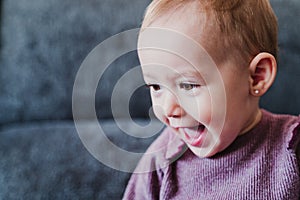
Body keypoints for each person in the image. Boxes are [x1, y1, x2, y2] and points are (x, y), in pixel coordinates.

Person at [123, 0, 300, 199]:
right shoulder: (162, 159)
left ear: (257, 76)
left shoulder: (292, 147)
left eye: (188, 86)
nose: (167, 108)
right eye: (155, 87)